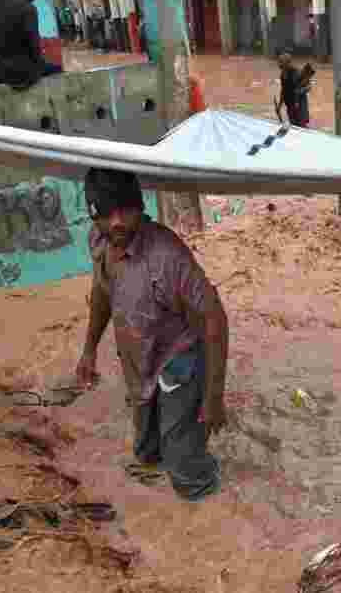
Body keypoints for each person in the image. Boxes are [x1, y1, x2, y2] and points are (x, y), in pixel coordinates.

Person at [75, 167, 229, 502]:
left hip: (179, 358)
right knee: (147, 453)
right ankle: (171, 437)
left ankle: (207, 480)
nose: (117, 222)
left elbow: (214, 319)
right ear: (92, 212)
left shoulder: (167, 258)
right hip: (140, 354)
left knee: (186, 476)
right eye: (106, 212)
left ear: (140, 207)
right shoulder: (99, 240)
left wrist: (213, 397)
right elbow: (103, 292)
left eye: (126, 210)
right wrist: (89, 350)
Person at [278, 52, 308, 127]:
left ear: (288, 63)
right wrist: (279, 105)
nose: (279, 64)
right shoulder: (282, 75)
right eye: (279, 62)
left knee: (301, 125)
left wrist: (299, 93)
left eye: (281, 62)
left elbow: (308, 86)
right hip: (290, 104)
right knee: (293, 124)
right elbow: (283, 90)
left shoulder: (296, 73)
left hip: (299, 104)